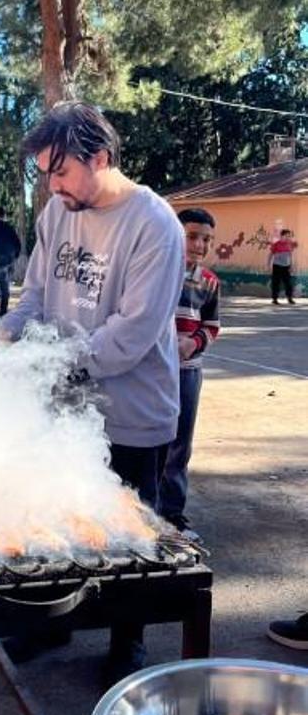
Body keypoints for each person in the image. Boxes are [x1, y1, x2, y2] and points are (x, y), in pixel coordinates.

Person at [0, 101, 185, 680]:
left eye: (60, 172)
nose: (52, 187)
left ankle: (127, 643)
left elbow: (131, 336)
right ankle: (51, 622)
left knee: (128, 538)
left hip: (132, 413)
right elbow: (34, 296)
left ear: (99, 158)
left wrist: (53, 367)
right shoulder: (58, 213)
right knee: (52, 518)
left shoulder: (154, 227)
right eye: (45, 175)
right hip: (62, 405)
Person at [158, 208, 220, 540]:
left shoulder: (209, 282)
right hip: (151, 372)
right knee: (149, 439)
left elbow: (212, 326)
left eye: (206, 239)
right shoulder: (154, 271)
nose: (199, 245)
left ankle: (173, 514)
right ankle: (143, 511)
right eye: (192, 236)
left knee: (180, 445)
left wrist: (192, 343)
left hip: (187, 373)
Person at [270, 228, 298, 305]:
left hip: (286, 266)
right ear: (282, 236)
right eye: (287, 235)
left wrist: (291, 266)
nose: (288, 237)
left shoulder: (289, 244)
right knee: (276, 283)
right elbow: (271, 255)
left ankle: (290, 298)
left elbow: (290, 256)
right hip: (277, 266)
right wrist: (268, 265)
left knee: (288, 283)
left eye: (289, 236)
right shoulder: (276, 244)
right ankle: (275, 299)